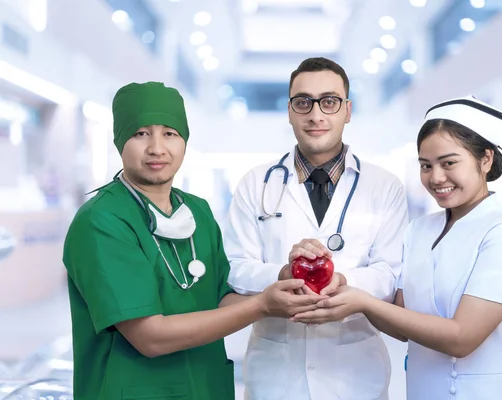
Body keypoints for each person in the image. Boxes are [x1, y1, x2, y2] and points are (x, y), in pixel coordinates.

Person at [63, 82, 325, 400]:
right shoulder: (102, 220)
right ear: (120, 140)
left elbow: (222, 300)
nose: (157, 148)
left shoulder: (197, 211)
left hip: (204, 387)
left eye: (170, 133)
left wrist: (283, 289)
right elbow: (150, 337)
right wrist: (262, 305)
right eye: (141, 133)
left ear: (184, 140)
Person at [294, 96, 502, 400]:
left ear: (485, 159)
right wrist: (344, 287)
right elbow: (401, 323)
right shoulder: (420, 229)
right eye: (426, 165)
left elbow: (462, 338)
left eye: (449, 163)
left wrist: (364, 303)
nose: (436, 177)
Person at [223, 57, 409, 400]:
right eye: (303, 102)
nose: (316, 114)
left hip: (355, 376)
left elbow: (390, 274)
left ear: (347, 110)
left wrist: (343, 282)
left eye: (329, 101)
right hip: (276, 378)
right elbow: (235, 268)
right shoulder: (255, 184)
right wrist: (282, 274)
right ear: (291, 110)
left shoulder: (385, 186)